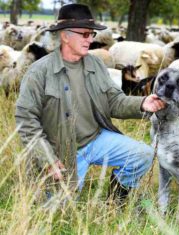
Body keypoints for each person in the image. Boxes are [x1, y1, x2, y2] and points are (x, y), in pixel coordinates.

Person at [15, 3, 165, 204]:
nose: (90, 39)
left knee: (143, 155)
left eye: (92, 34)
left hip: (96, 140)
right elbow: (26, 120)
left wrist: (142, 103)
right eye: (84, 34)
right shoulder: (39, 72)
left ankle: (117, 196)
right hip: (62, 151)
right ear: (65, 36)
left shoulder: (95, 64)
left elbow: (114, 100)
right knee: (61, 211)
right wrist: (47, 159)